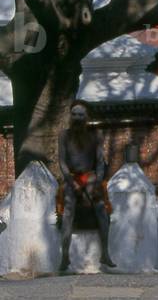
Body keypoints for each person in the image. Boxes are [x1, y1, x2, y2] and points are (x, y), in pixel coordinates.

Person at [57, 100, 115, 270]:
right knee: (67, 214)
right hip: (71, 178)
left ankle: (105, 253)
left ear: (86, 117)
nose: (77, 118)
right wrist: (70, 181)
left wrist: (97, 181)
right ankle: (65, 256)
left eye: (80, 115)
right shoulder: (64, 135)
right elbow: (62, 162)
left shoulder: (95, 135)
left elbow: (99, 162)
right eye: (74, 114)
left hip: (90, 178)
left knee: (102, 213)